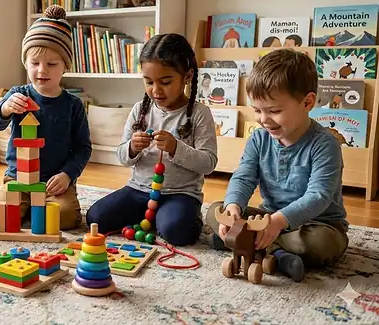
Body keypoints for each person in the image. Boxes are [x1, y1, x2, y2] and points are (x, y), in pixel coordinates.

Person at [206, 49, 348, 282]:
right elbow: (244, 177)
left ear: (307, 102)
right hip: (267, 218)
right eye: (258, 110)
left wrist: (278, 223)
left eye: (274, 111)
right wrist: (234, 207)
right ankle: (274, 251)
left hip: (316, 224)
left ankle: (252, 243)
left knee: (321, 244)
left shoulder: (325, 144)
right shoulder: (259, 138)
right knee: (216, 212)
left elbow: (319, 195)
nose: (263, 119)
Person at [85, 33, 218, 246]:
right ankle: (153, 218)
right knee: (96, 218)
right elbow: (122, 156)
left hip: (180, 193)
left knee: (177, 232)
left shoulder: (200, 114)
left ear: (187, 76)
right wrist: (132, 148)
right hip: (139, 190)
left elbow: (209, 163)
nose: (156, 90)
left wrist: (176, 148)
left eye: (165, 82)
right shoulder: (140, 110)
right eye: (148, 82)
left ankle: (169, 218)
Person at [0, 5, 91, 230]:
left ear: (65, 67)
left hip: (55, 182)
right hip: (18, 179)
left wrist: (67, 175)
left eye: (52, 64)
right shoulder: (18, 94)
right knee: (1, 216)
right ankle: (30, 208)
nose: (42, 70)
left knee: (64, 218)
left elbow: (83, 148)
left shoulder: (73, 105)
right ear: (26, 64)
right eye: (34, 63)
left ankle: (39, 208)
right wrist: (4, 108)